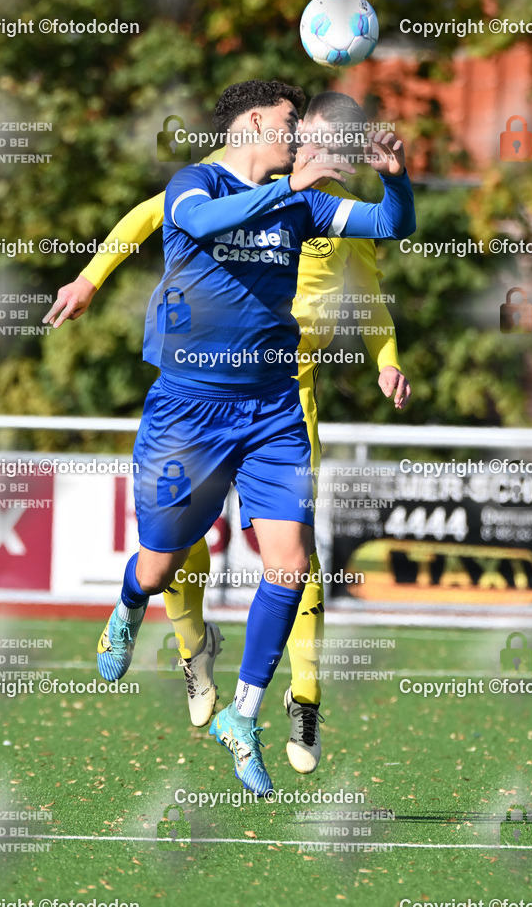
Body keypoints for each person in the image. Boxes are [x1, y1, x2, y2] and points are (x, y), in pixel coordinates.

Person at [47, 80, 415, 795]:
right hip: (190, 410)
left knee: (290, 564)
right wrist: (290, 188)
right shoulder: (195, 184)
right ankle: (130, 604)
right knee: (159, 567)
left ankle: (243, 714)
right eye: (288, 122)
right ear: (253, 122)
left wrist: (398, 181)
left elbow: (388, 226)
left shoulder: (303, 202)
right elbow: (205, 221)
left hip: (274, 407)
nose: (297, 136)